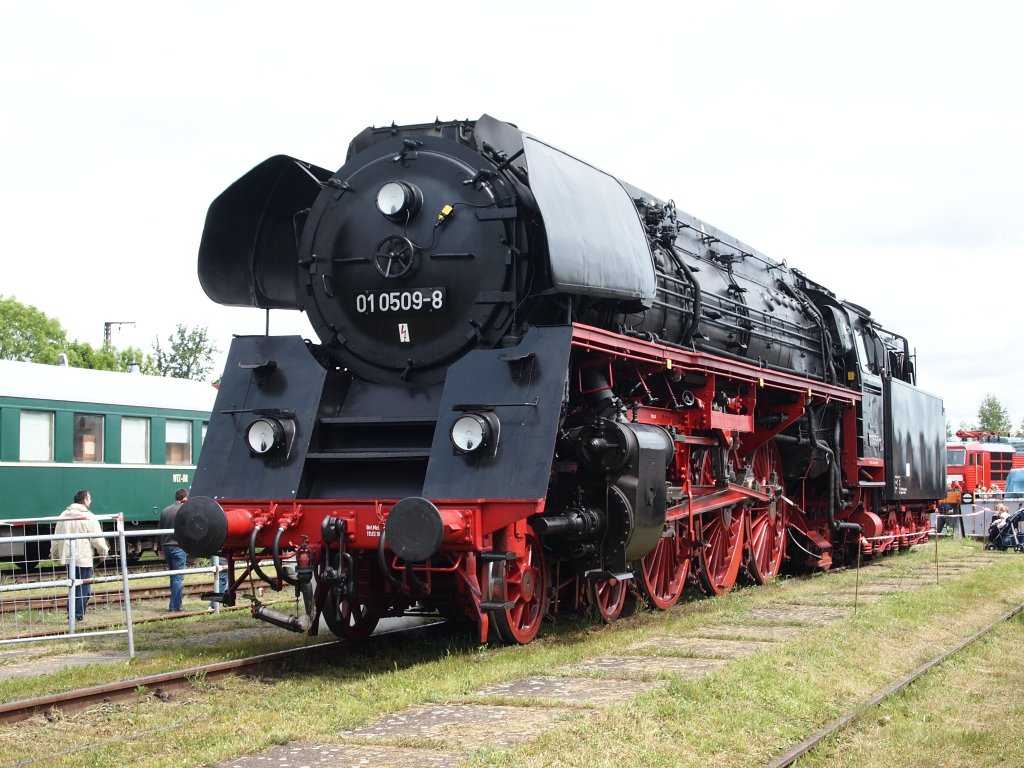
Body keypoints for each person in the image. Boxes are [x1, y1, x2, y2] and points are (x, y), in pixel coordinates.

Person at [49, 490, 109, 622]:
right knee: (84, 589)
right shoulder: (89, 516)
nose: (91, 501)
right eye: (90, 498)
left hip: (69, 558)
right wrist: (103, 552)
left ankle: (71, 615)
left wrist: (54, 554)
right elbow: (97, 539)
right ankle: (77, 617)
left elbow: (56, 536)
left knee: (72, 586)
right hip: (83, 558)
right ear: (85, 500)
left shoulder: (64, 514)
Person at [157, 489, 188, 612]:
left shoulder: (165, 511)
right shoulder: (183, 511)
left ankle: (177, 603)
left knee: (173, 576)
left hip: (166, 546)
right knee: (178, 577)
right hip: (178, 547)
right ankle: (174, 606)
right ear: (184, 499)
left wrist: (159, 547)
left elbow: (159, 530)